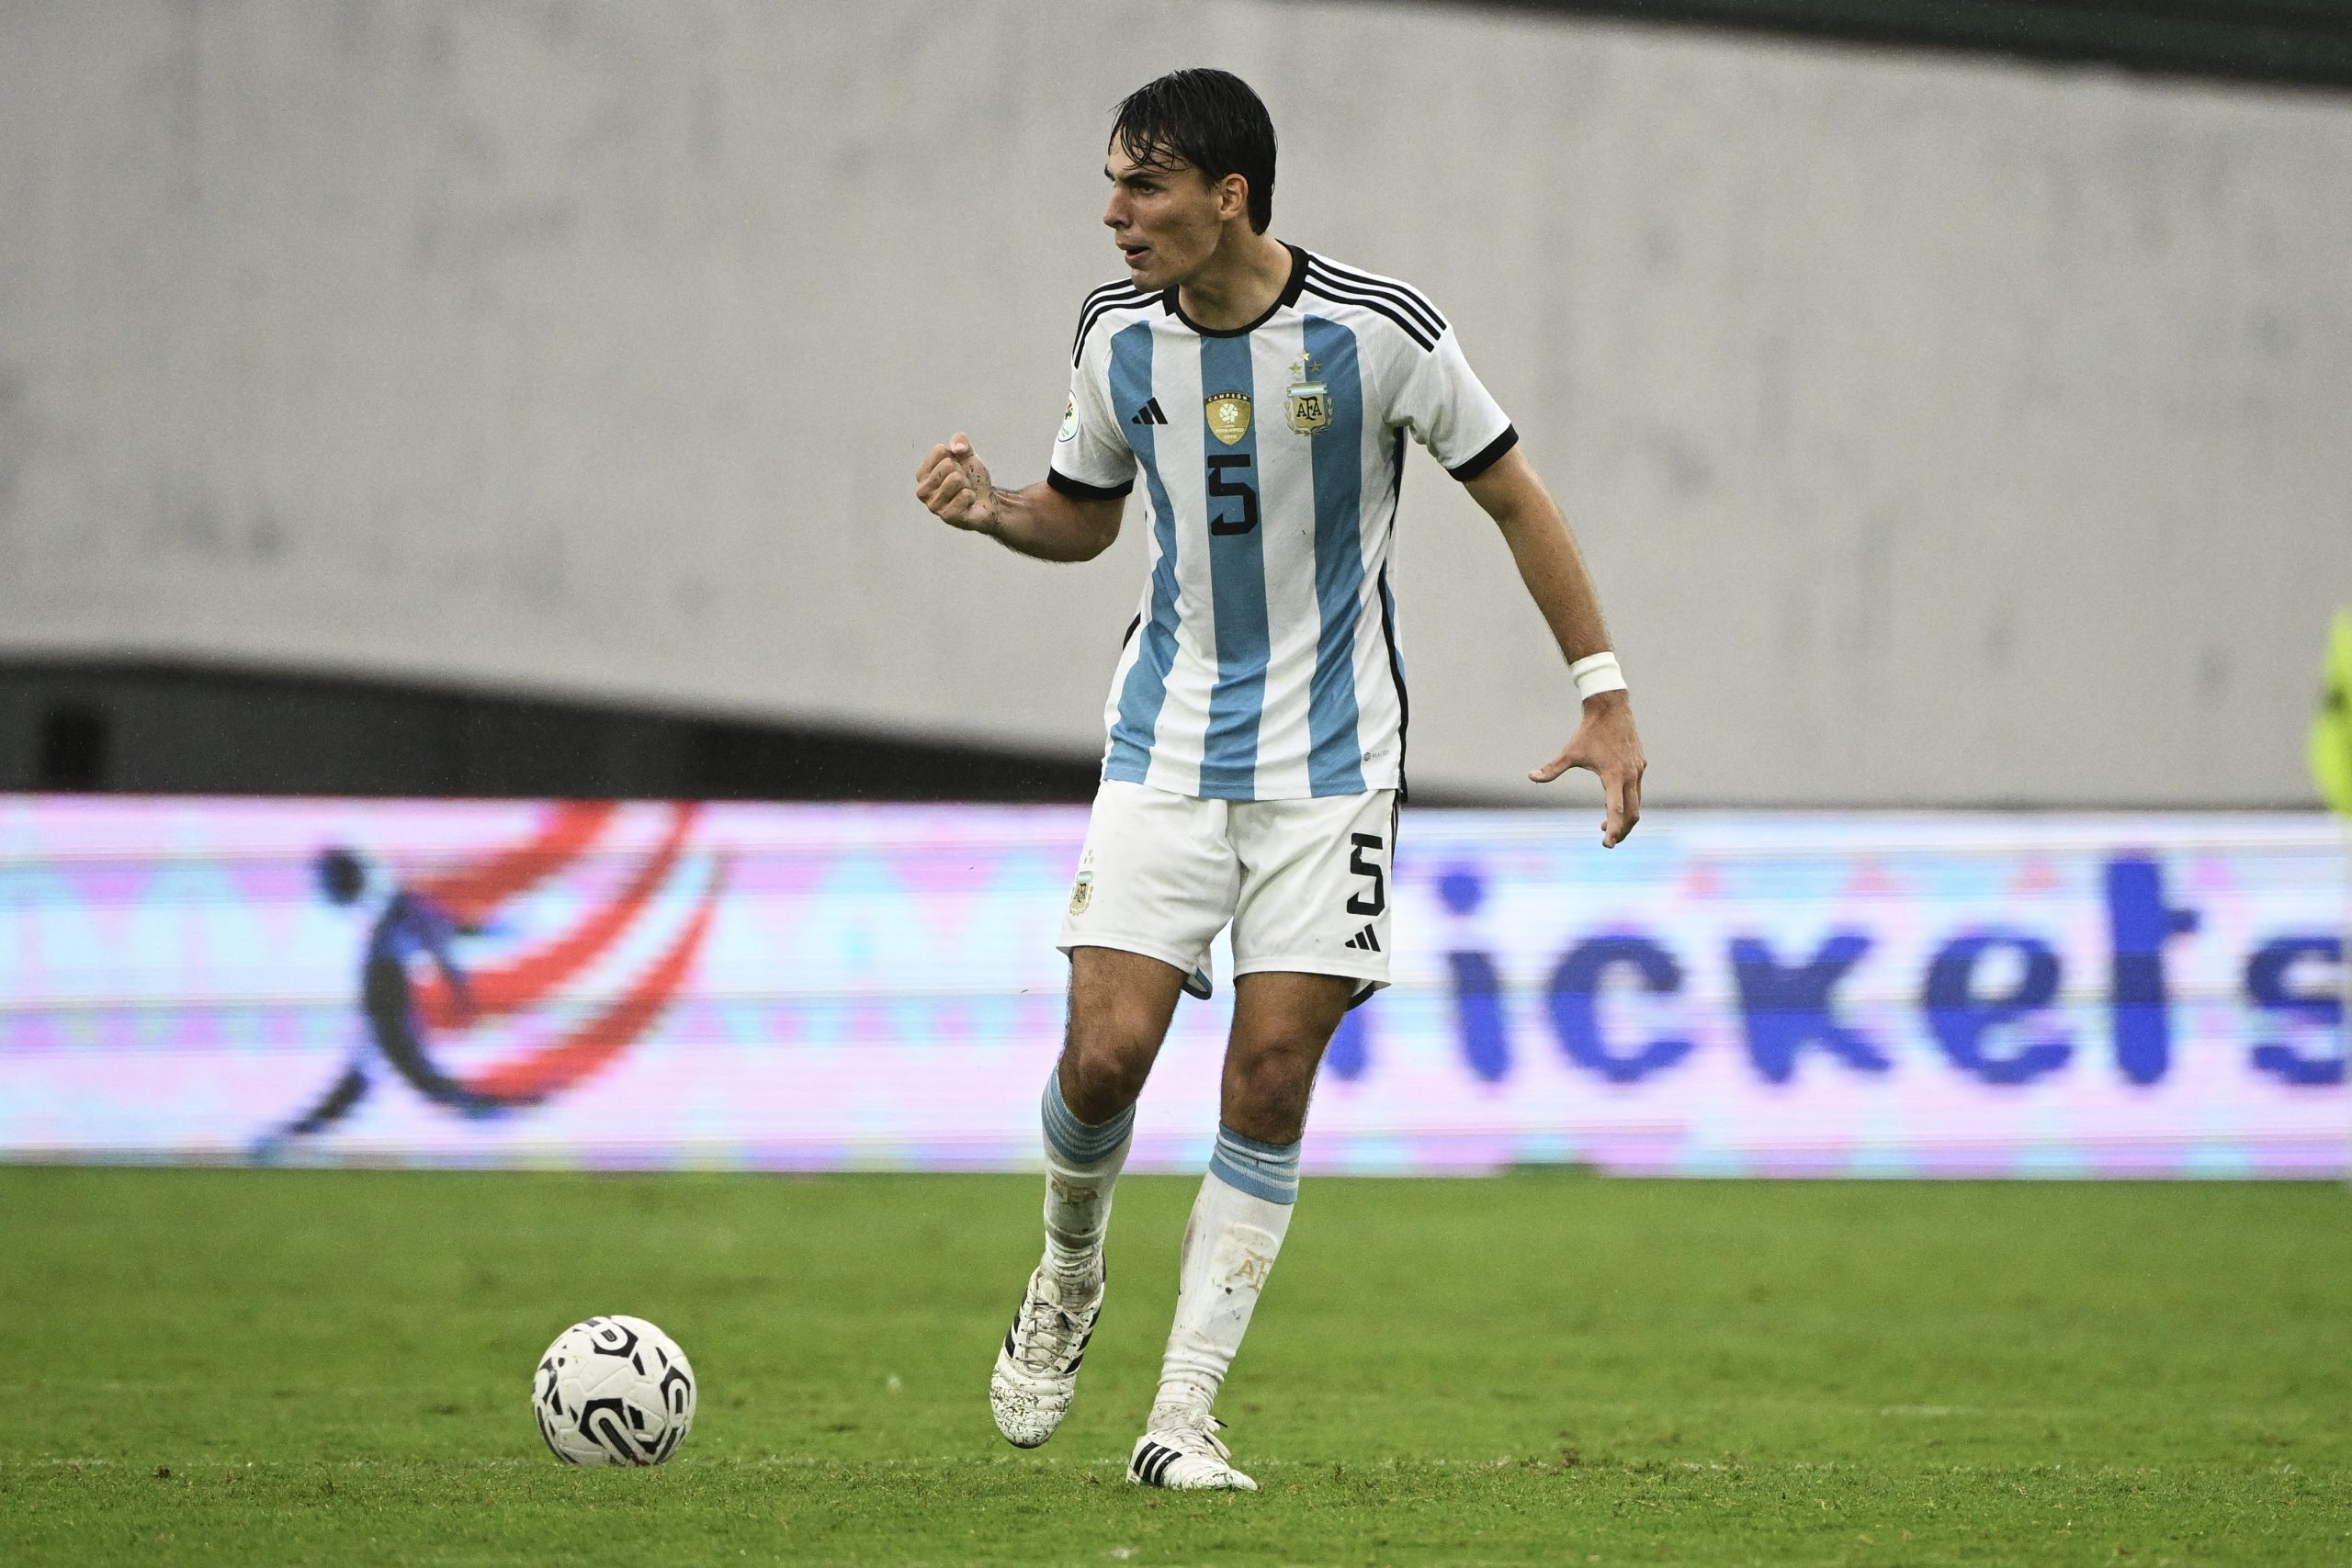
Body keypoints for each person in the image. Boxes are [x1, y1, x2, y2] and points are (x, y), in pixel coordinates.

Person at [914, 67, 1646, 1492]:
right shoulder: (1115, 339)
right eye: (1115, 184)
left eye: (1144, 186)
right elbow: (1085, 510)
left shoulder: (1382, 333)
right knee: (1105, 1057)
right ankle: (1069, 1272)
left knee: (1269, 1071)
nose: (1114, 215)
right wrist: (999, 510)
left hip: (1334, 768)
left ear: (1228, 195)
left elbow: (1512, 493)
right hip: (1166, 748)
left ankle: (1181, 1415)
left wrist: (1602, 695)